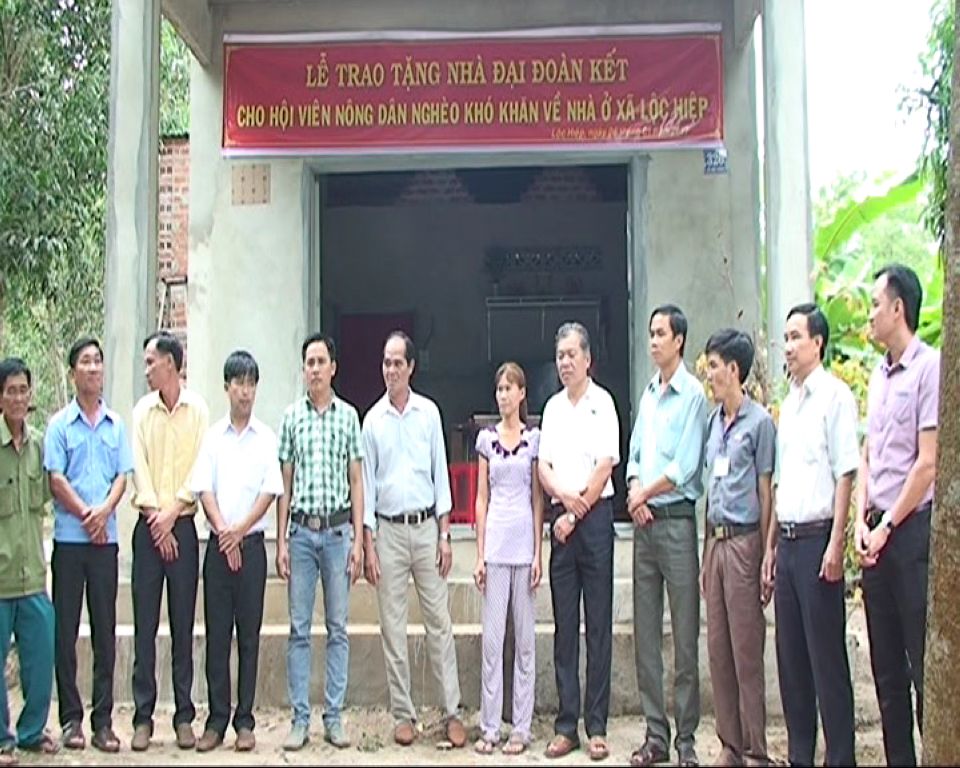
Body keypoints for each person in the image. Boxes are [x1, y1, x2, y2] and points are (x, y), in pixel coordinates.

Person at [762, 303, 859, 767]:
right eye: (785, 338)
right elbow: (782, 483)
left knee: (826, 660)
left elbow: (845, 473)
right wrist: (771, 547)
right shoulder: (791, 403)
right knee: (792, 660)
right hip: (788, 542)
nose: (788, 346)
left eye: (796, 337)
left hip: (820, 540)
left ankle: (840, 757)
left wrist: (837, 542)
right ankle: (800, 754)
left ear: (818, 342)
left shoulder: (835, 397)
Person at [361, 330, 466, 749]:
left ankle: (452, 712)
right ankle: (403, 714)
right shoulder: (373, 420)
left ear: (411, 367)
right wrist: (368, 543)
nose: (391, 370)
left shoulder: (428, 413)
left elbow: (440, 473)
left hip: (425, 530)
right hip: (387, 531)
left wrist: (445, 534)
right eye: (386, 363)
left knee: (439, 622)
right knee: (393, 627)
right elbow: (367, 486)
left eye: (397, 363)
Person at [855, 264, 939, 767]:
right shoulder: (877, 377)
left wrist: (887, 527)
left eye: (874, 305)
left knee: (922, 663)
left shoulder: (929, 368)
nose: (869, 315)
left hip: (909, 535)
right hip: (876, 534)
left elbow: (926, 464)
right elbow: (869, 454)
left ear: (898, 308)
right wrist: (862, 524)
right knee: (886, 671)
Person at [625, 305, 708, 768]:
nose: (653, 341)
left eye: (661, 334)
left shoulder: (693, 395)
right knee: (645, 636)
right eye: (651, 333)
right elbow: (636, 453)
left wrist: (645, 493)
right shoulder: (649, 393)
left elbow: (685, 466)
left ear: (679, 340)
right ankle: (655, 734)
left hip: (676, 523)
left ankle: (686, 739)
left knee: (684, 636)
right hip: (644, 526)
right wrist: (635, 489)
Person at [191, 351, 284, 753]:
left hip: (252, 549)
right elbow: (204, 489)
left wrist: (240, 531)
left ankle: (245, 720)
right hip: (217, 548)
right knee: (217, 636)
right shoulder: (212, 438)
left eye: (251, 384)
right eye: (238, 383)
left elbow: (270, 491)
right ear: (226, 387)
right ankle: (216, 720)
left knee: (249, 636)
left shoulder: (266, 438)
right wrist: (224, 533)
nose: (245, 392)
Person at [275, 333, 364, 751]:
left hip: (338, 535)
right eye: (309, 362)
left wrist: (359, 540)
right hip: (301, 536)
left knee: (338, 628)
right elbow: (285, 483)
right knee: (298, 629)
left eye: (320, 361)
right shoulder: (291, 417)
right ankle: (299, 719)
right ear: (303, 369)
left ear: (333, 368)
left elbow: (356, 480)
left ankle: (334, 716)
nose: (314, 369)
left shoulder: (348, 417)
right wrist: (280, 541)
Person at [45, 338, 133, 754]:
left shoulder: (116, 425)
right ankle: (70, 719)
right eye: (85, 361)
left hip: (105, 544)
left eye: (98, 360)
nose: (94, 367)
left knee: (105, 632)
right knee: (65, 631)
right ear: (72, 373)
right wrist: (87, 515)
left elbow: (122, 477)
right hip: (70, 540)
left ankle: (103, 722)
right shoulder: (59, 426)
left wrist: (105, 512)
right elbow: (56, 479)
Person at [538, 322, 620, 762]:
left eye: (572, 354)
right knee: (564, 626)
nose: (565, 362)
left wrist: (575, 511)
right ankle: (566, 724)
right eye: (560, 355)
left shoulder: (602, 404)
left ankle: (598, 726)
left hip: (593, 520)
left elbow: (605, 466)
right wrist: (563, 504)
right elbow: (543, 467)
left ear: (588, 359)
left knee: (598, 625)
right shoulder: (552, 408)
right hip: (561, 523)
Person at [130, 331, 209, 751]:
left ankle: (183, 716)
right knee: (145, 626)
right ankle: (143, 717)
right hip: (148, 528)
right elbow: (138, 469)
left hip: (182, 527)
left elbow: (199, 469)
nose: (147, 369)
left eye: (152, 361)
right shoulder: (142, 412)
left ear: (172, 364)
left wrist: (172, 513)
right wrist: (155, 519)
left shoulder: (198, 411)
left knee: (182, 624)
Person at [700, 330, 775, 767]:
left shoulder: (760, 423)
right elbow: (710, 490)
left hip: (746, 543)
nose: (709, 374)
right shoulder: (713, 423)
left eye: (714, 366)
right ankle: (729, 744)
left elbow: (766, 493)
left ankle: (755, 748)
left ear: (734, 369)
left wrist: (767, 553)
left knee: (747, 650)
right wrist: (704, 555)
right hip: (716, 542)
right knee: (719, 650)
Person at [472, 362, 544, 756]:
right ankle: (489, 726)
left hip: (524, 545)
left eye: (509, 388)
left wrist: (538, 553)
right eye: (499, 388)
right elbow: (482, 498)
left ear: (522, 393)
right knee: (493, 641)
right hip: (496, 546)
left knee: (525, 642)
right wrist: (479, 554)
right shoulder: (486, 441)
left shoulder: (534, 441)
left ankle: (521, 726)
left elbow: (537, 499)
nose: (503, 395)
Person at [0, 358, 59, 766]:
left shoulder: (40, 446)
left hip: (34, 575)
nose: (18, 397)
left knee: (40, 660)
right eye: (11, 391)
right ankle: (2, 741)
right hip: (0, 577)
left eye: (23, 390)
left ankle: (32, 731)